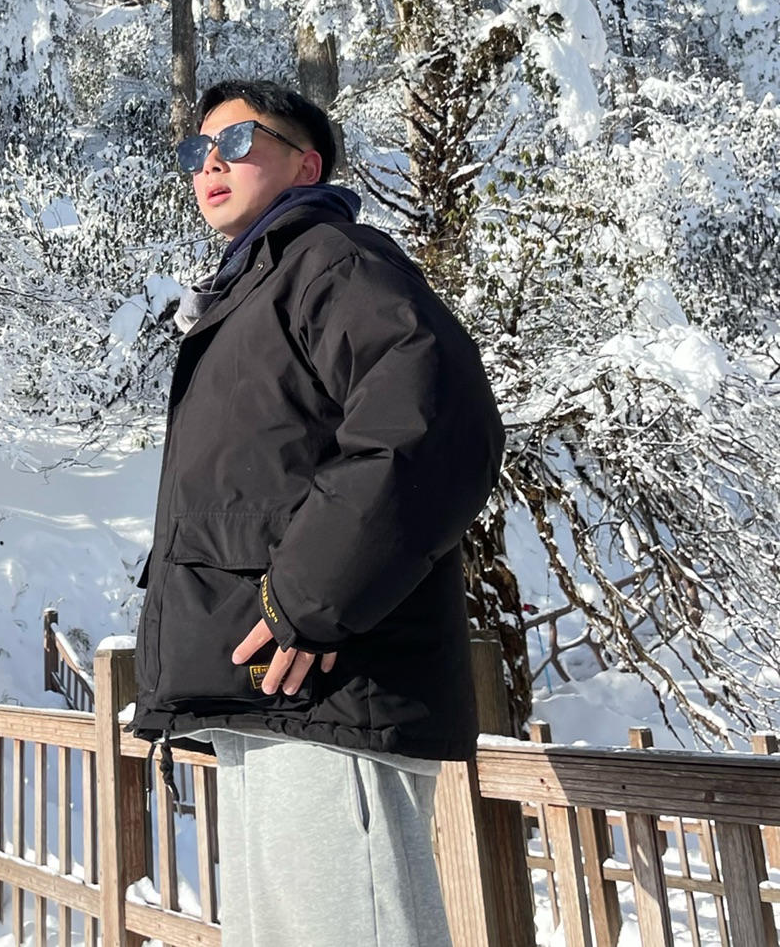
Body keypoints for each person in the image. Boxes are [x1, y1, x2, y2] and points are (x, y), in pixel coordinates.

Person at [132, 79, 505, 947]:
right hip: (265, 697)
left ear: (307, 165)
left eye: (237, 141)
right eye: (196, 150)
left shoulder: (335, 261)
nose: (211, 162)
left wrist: (305, 602)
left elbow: (432, 425)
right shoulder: (246, 299)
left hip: (335, 695)